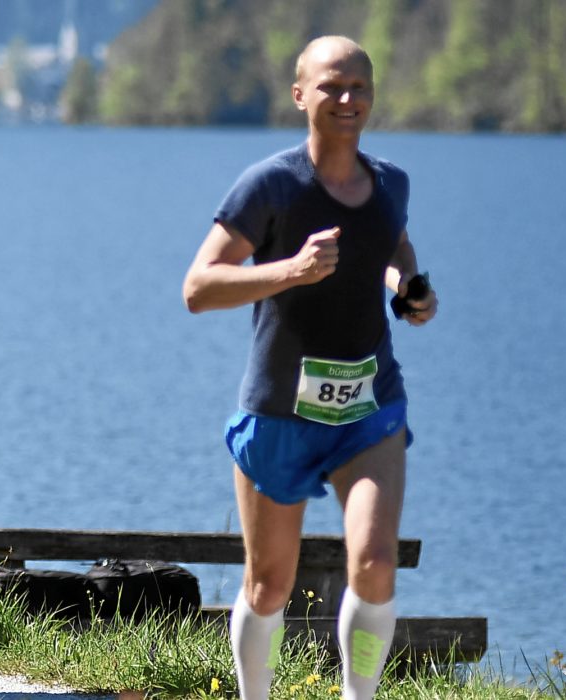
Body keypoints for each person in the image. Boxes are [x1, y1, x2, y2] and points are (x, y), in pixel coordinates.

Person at [181, 36, 436, 700]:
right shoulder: (271, 185)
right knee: (270, 584)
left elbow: (394, 243)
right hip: (279, 414)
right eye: (331, 86)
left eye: (359, 86)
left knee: (376, 563)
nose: (347, 99)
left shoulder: (391, 183)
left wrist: (406, 286)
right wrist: (290, 271)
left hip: (367, 408)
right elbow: (198, 287)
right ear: (300, 95)